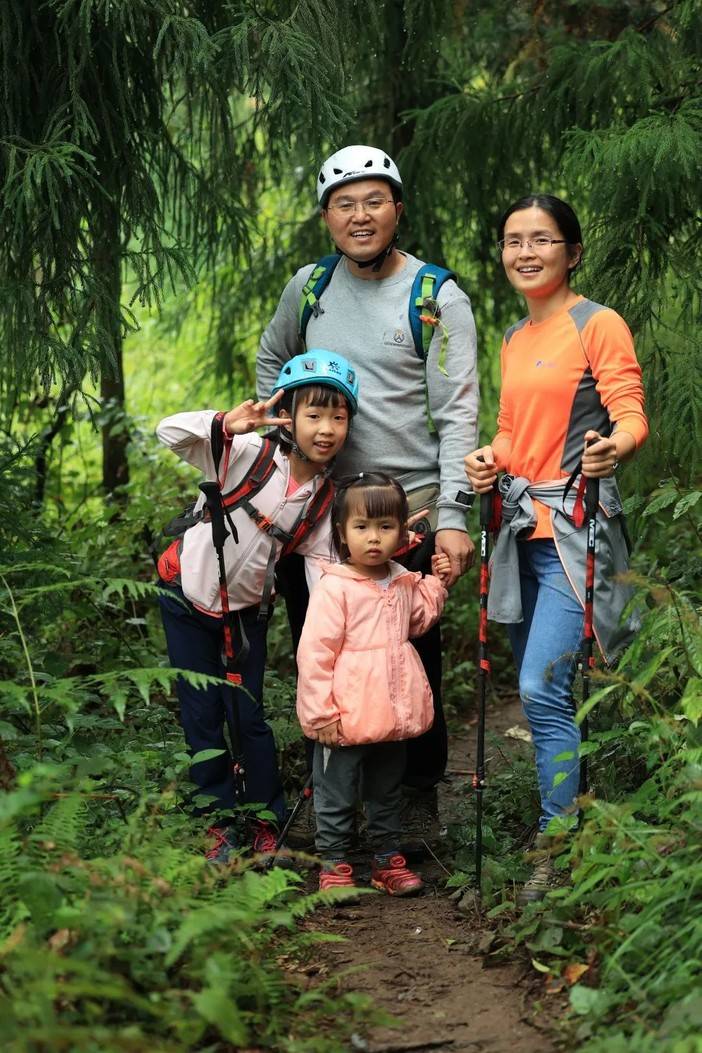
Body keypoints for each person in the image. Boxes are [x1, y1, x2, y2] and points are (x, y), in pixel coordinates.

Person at [257, 145, 479, 846]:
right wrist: (285, 442)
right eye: (344, 204)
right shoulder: (309, 287)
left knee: (410, 656)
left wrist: (453, 516)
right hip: (320, 514)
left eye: (374, 201)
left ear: (398, 210)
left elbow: (459, 413)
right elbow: (272, 359)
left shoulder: (435, 298)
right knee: (320, 650)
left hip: (402, 510)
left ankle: (414, 798)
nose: (360, 216)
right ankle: (331, 800)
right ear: (327, 217)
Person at [464, 194, 648, 903]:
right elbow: (512, 429)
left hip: (575, 532)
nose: (526, 252)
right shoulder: (516, 336)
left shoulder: (597, 323)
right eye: (514, 240)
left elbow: (629, 411)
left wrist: (612, 449)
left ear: (572, 252)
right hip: (521, 532)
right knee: (541, 689)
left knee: (544, 687)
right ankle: (570, 823)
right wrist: (490, 457)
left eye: (542, 239)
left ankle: (557, 847)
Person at [156, 351, 359, 863]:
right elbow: (167, 431)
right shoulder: (245, 452)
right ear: (287, 417)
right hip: (186, 600)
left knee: (248, 718)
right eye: (314, 415)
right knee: (201, 715)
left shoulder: (323, 500)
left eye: (338, 417)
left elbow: (324, 574)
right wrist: (225, 423)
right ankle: (219, 823)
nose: (326, 429)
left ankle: (267, 822)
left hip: (245, 616)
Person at [296, 474, 451, 894]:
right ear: (342, 533)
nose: (374, 537)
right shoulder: (335, 587)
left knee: (386, 790)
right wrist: (321, 713)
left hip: (390, 713)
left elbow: (417, 621)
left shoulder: (401, 579)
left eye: (385, 527)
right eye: (361, 526)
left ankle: (386, 860)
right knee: (336, 792)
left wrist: (437, 583)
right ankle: (334, 863)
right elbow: (315, 655)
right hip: (344, 716)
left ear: (401, 532)